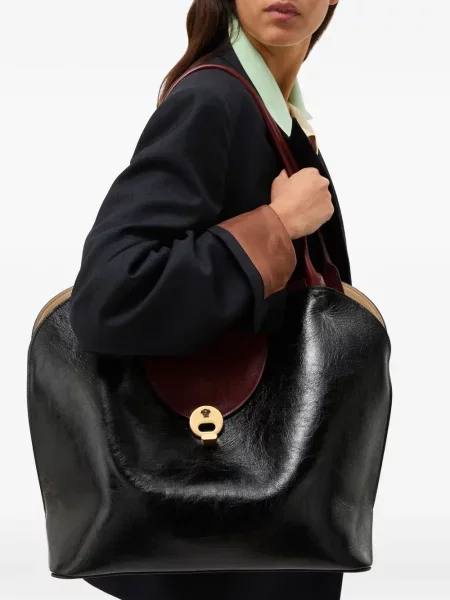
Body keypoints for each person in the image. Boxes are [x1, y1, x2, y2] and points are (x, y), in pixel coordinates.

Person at [70, 1, 351, 598]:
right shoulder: (212, 101)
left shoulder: (281, 119)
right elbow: (110, 296)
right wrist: (275, 226)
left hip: (252, 526)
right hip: (217, 539)